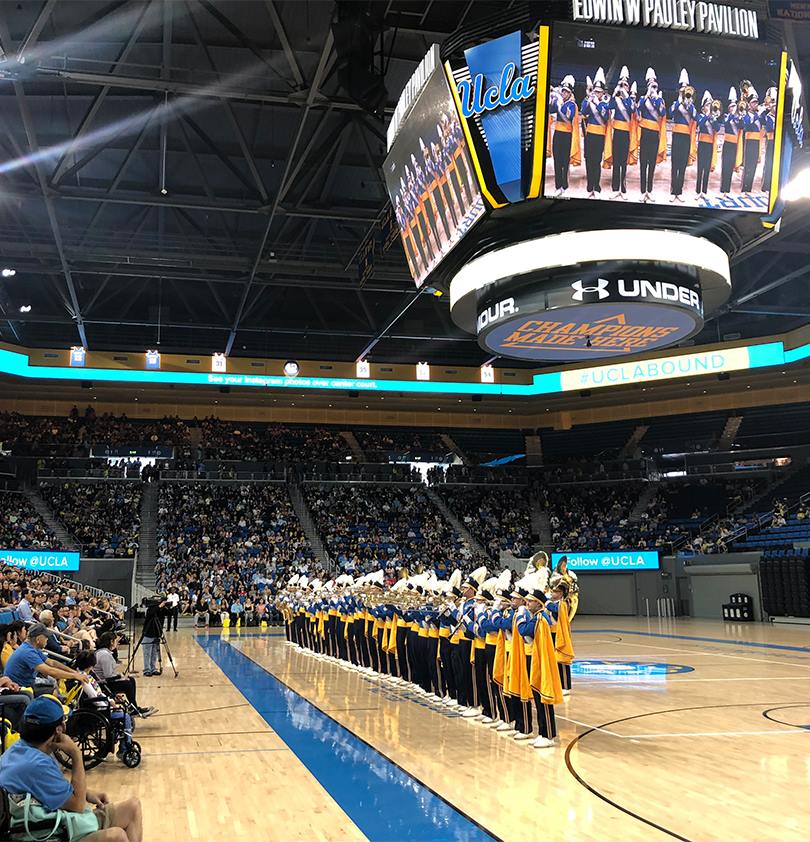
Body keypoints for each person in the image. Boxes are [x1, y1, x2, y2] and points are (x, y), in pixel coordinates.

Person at [0, 695, 143, 841]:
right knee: (116, 837)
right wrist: (76, 755)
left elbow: (45, 787)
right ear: (59, 730)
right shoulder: (37, 764)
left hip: (45, 824)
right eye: (64, 719)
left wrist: (86, 793)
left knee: (133, 806)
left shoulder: (18, 749)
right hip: (49, 833)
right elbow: (78, 805)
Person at [3, 623, 90, 696]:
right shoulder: (27, 652)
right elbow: (49, 670)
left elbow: (51, 663)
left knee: (53, 682)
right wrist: (75, 676)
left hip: (26, 682)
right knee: (53, 692)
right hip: (18, 687)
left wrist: (73, 672)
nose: (47, 639)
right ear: (38, 639)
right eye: (46, 637)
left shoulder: (32, 647)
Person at [93, 633, 155, 718]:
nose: (117, 643)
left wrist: (120, 676)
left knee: (131, 680)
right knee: (128, 683)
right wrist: (120, 677)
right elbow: (108, 676)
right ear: (111, 642)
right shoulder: (104, 655)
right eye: (116, 641)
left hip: (104, 681)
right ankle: (133, 708)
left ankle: (134, 707)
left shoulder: (104, 653)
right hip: (103, 684)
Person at [637, 67, 667, 201]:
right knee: (643, 162)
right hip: (644, 133)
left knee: (652, 163)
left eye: (654, 86)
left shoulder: (659, 100)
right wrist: (648, 94)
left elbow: (662, 113)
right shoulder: (643, 99)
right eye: (651, 86)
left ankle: (650, 189)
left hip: (654, 135)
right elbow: (638, 108)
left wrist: (656, 98)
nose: (653, 88)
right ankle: (643, 190)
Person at [548, 75, 580, 196]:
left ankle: (565, 187)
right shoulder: (558, 101)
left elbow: (569, 116)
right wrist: (551, 99)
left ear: (570, 93)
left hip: (567, 135)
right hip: (558, 133)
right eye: (563, 91)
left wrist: (559, 103)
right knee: (557, 160)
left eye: (566, 92)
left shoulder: (572, 105)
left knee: (564, 162)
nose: (564, 93)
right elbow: (550, 110)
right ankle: (558, 186)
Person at [581, 67, 610, 197]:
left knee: (596, 161)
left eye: (598, 92)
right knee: (588, 160)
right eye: (595, 91)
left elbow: (605, 117)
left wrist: (597, 102)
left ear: (602, 92)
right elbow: (584, 112)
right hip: (589, 135)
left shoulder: (605, 103)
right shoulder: (589, 100)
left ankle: (596, 186)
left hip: (599, 136)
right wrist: (588, 98)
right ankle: (589, 186)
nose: (596, 93)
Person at [669, 70, 697, 203]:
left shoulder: (691, 106)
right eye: (682, 90)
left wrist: (689, 102)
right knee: (675, 163)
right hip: (676, 136)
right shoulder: (676, 103)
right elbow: (671, 112)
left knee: (682, 164)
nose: (685, 93)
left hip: (686, 137)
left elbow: (695, 116)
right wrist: (680, 99)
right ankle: (673, 190)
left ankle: (679, 191)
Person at [695, 92, 721, 199]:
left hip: (710, 145)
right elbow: (700, 124)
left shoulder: (713, 118)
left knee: (706, 168)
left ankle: (704, 191)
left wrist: (714, 118)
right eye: (707, 105)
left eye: (710, 104)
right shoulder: (701, 116)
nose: (709, 107)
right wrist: (707, 116)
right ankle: (697, 191)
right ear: (703, 108)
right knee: (700, 168)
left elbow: (718, 128)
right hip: (702, 144)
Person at [720, 87, 742, 196]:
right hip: (727, 144)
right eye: (732, 107)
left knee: (730, 167)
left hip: (734, 145)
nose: (733, 108)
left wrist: (739, 116)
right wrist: (733, 115)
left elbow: (742, 126)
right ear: (729, 108)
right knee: (725, 166)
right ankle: (722, 188)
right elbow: (726, 123)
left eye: (735, 107)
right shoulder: (727, 117)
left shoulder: (738, 118)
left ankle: (727, 190)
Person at [140, 597, 165, 677]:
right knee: (147, 653)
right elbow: (151, 614)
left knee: (154, 652)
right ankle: (147, 669)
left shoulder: (160, 610)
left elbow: (169, 612)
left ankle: (153, 668)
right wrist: (159, 607)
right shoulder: (150, 609)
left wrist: (165, 606)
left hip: (157, 633)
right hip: (148, 633)